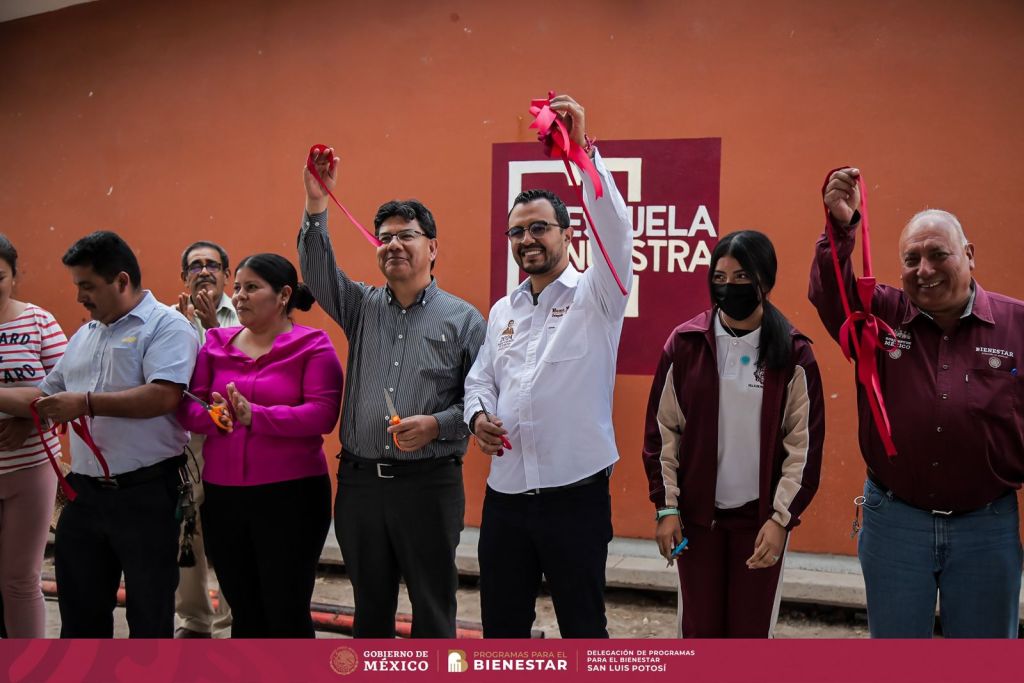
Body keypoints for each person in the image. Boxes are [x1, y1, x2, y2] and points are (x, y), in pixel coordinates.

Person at [809, 166, 1024, 638]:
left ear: (969, 255)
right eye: (911, 259)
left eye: (937, 254)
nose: (923, 270)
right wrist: (842, 228)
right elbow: (830, 291)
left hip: (987, 526)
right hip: (895, 523)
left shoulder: (1016, 326)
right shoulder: (880, 314)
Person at [463, 94, 632, 638]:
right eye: (517, 231)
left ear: (565, 233)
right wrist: (477, 417)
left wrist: (583, 153)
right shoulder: (501, 311)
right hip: (506, 497)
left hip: (575, 496)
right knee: (503, 632)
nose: (527, 239)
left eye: (539, 228)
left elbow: (616, 228)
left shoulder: (598, 294)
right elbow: (481, 380)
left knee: (584, 630)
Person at [298, 151, 486, 638]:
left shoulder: (464, 320)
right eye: (385, 238)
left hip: (429, 484)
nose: (393, 245)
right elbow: (319, 276)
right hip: (361, 485)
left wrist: (437, 425)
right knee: (371, 611)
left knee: (432, 609)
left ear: (433, 247)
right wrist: (317, 203)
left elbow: (484, 402)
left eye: (407, 236)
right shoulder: (360, 306)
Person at [0, 231, 199, 638]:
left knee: (148, 617)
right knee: (80, 618)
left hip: (147, 494)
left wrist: (86, 403)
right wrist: (28, 416)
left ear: (121, 281)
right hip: (85, 497)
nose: (79, 298)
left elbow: (163, 395)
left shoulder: (166, 326)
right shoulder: (87, 334)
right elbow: (47, 393)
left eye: (87, 286)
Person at [641, 230, 824, 638]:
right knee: (699, 632)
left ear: (766, 281)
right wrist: (666, 507)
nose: (729, 286)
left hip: (760, 522)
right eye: (720, 277)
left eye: (742, 277)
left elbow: (803, 449)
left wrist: (781, 519)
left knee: (750, 635)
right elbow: (662, 433)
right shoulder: (685, 344)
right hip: (696, 521)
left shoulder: (794, 353)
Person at [178, 253, 341, 638]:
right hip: (224, 498)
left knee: (285, 608)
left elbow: (323, 414)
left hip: (291, 498)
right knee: (244, 609)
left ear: (283, 295)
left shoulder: (313, 346)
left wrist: (258, 417)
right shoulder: (215, 343)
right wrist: (214, 418)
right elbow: (189, 404)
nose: (238, 297)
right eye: (237, 288)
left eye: (251, 288)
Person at [0, 234, 67, 638]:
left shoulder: (38, 321)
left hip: (30, 466)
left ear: (13, 275)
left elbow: (64, 387)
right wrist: (25, 400)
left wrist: (31, 418)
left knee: (20, 579)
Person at [172, 241, 237, 638]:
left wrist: (213, 328)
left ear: (227, 274)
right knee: (187, 535)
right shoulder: (169, 319)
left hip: (233, 444)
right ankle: (194, 621)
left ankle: (233, 620)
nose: (204, 270)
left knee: (230, 534)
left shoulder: (246, 312)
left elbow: (244, 370)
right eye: (194, 265)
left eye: (213, 263)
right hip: (185, 444)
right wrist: (183, 330)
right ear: (184, 276)